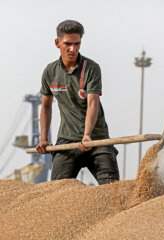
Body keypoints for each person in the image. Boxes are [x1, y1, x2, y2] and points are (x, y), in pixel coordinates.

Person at [36, 20, 119, 185]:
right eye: (67, 44)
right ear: (57, 43)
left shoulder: (91, 68)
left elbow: (92, 104)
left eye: (77, 44)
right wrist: (44, 138)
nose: (72, 49)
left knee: (113, 190)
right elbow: (46, 106)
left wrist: (87, 135)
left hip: (96, 139)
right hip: (66, 141)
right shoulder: (50, 71)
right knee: (55, 193)